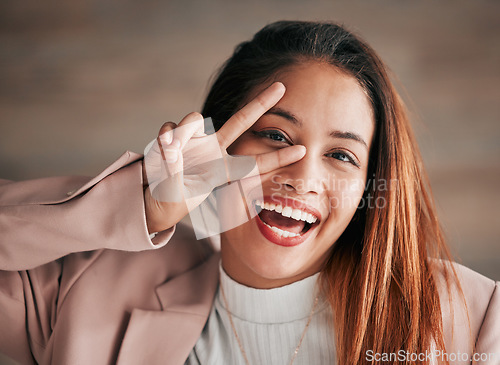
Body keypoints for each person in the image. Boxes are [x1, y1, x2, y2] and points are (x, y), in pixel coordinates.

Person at [0, 20, 498, 365]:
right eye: (276, 136)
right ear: (214, 142)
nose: (302, 179)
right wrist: (142, 204)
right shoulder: (86, 284)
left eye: (342, 155)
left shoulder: (472, 319)